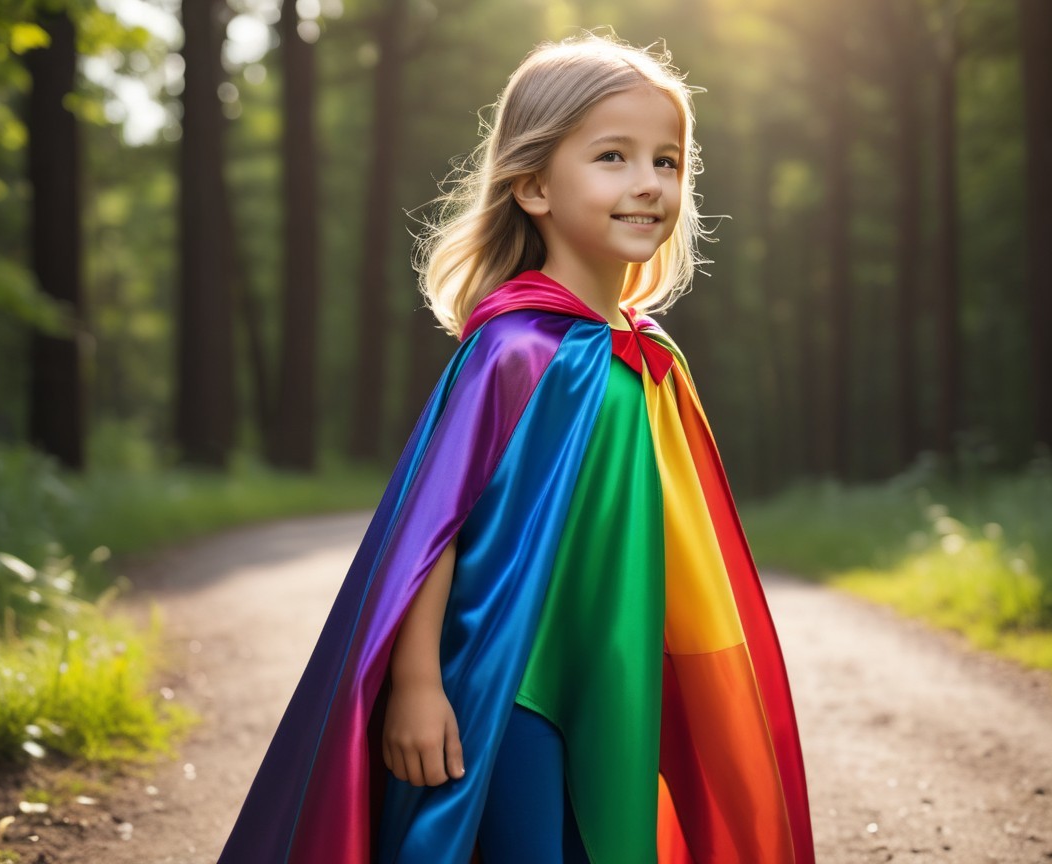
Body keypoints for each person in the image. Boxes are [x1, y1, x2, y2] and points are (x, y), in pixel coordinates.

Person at [218, 33, 814, 864]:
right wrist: (419, 684)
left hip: (618, 673)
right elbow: (434, 530)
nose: (649, 183)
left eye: (668, 161)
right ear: (533, 184)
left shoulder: (650, 358)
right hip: (507, 680)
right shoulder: (517, 351)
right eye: (613, 157)